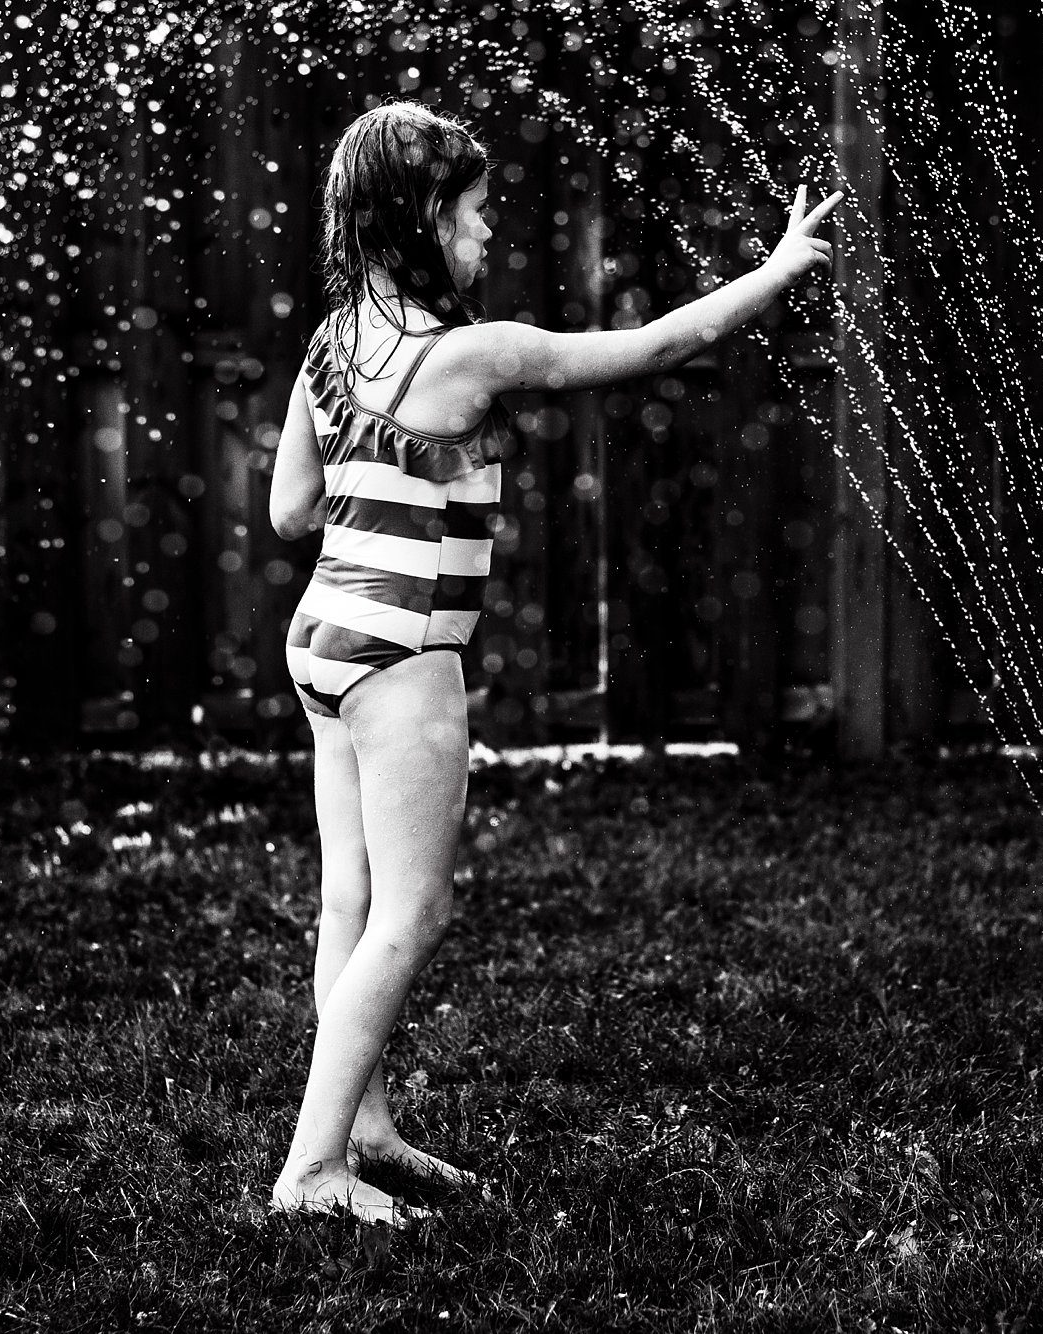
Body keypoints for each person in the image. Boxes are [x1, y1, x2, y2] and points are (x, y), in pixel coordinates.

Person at [268, 100, 841, 1226]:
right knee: (414, 910)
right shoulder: (471, 353)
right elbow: (654, 347)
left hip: (322, 639)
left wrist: (383, 475)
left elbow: (290, 509)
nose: (487, 238)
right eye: (477, 216)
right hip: (403, 655)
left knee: (352, 896)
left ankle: (362, 1128)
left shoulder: (328, 344)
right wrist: (776, 271)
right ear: (425, 217)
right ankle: (309, 1171)